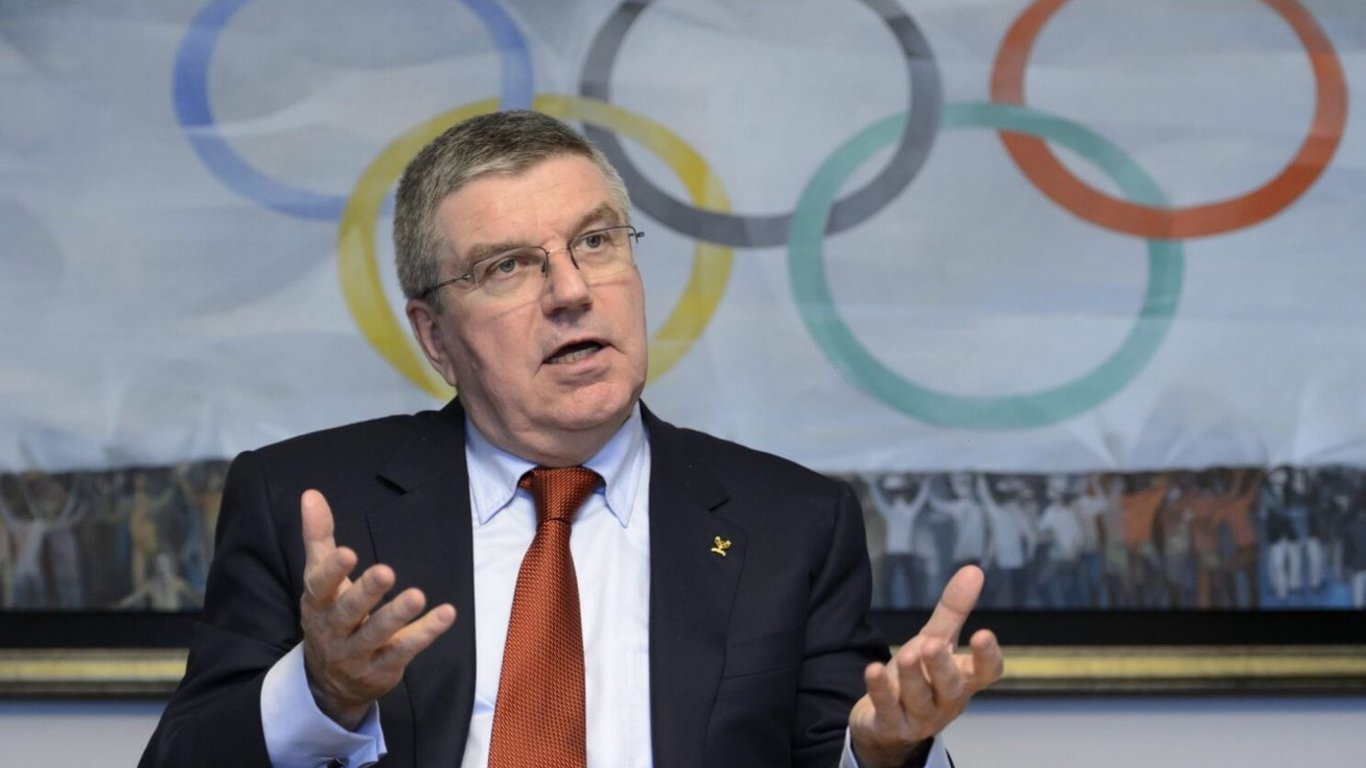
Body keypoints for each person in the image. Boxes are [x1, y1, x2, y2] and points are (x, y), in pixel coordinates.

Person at [139, 110, 1003, 768]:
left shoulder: (791, 523)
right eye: (508, 266)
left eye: (595, 241)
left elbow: (841, 746)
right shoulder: (305, 505)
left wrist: (884, 753)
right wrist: (321, 691)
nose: (571, 291)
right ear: (434, 336)